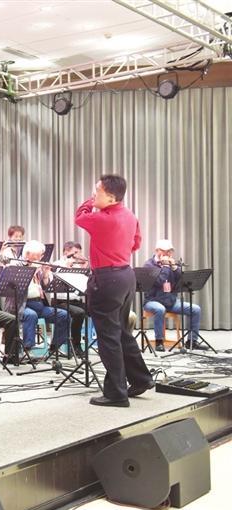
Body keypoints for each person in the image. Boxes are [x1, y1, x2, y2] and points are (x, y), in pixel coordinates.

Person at [76, 174, 153, 407]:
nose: (93, 194)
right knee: (121, 332)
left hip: (106, 279)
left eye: (97, 191)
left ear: (110, 197)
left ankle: (116, 393)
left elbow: (79, 216)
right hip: (126, 276)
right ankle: (141, 379)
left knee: (108, 338)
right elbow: (135, 244)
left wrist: (89, 202)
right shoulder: (130, 215)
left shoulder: (101, 219)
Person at [6, 241, 71, 356]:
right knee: (31, 315)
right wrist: (31, 271)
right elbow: (16, 288)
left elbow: (46, 288)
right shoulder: (16, 265)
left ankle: (54, 347)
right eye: (37, 256)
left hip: (39, 304)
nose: (40, 258)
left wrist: (45, 274)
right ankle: (28, 349)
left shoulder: (38, 268)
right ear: (27, 254)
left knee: (63, 315)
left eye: (41, 255)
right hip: (22, 305)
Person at [143, 239, 201, 351]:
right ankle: (159, 342)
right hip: (152, 301)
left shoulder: (171, 264)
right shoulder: (149, 265)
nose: (167, 254)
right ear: (157, 251)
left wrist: (174, 268)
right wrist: (165, 267)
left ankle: (192, 342)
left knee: (195, 309)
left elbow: (182, 281)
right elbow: (160, 282)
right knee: (160, 309)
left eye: (170, 251)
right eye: (164, 251)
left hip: (171, 301)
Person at [51, 241, 89, 355]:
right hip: (60, 301)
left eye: (79, 253)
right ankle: (76, 345)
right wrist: (66, 268)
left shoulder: (77, 266)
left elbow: (83, 285)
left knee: (97, 309)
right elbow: (55, 282)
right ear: (66, 252)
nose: (78, 256)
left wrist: (85, 269)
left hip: (75, 301)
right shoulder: (57, 264)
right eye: (75, 253)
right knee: (79, 313)